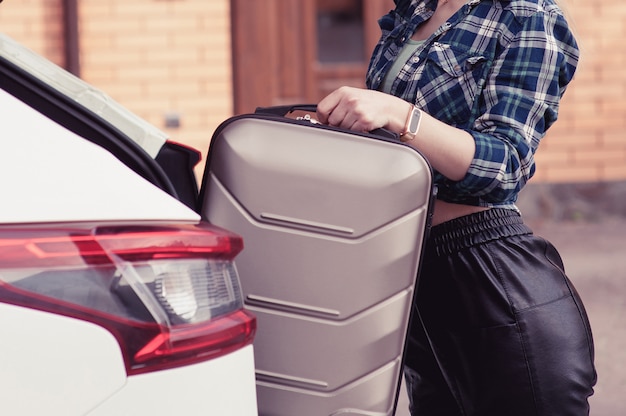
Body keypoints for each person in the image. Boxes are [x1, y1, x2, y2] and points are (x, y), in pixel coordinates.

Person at [316, 0, 597, 415]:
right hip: (410, 271)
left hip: (487, 272)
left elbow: (505, 164)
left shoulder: (528, 15)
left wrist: (398, 113)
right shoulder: (413, 11)